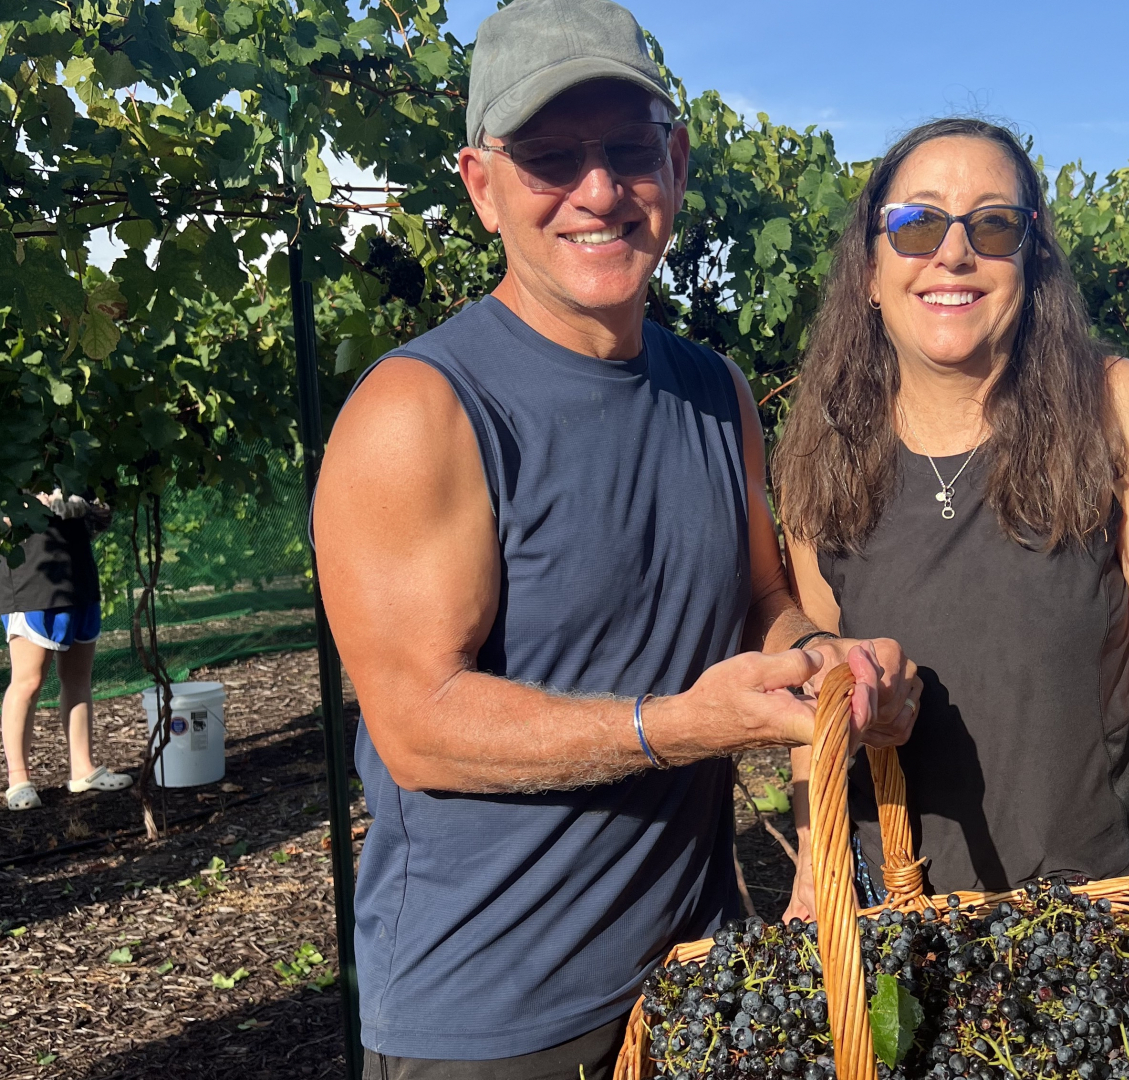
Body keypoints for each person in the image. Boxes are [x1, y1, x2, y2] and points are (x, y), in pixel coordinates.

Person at [311, 2, 918, 1077]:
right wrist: (678, 726)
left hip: (695, 975)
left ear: (674, 164)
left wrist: (815, 656)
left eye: (628, 150)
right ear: (481, 185)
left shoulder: (713, 390)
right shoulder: (421, 411)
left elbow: (754, 599)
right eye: (548, 159)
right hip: (495, 1015)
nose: (597, 191)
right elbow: (418, 725)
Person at [771, 118, 1129, 1016]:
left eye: (994, 226)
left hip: (1101, 905)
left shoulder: (1109, 404)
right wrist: (818, 862)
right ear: (868, 270)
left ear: (1031, 263)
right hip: (897, 921)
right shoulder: (820, 448)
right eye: (918, 225)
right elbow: (817, 691)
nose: (955, 254)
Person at [4, 488, 131, 811]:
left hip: (78, 569)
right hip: (30, 572)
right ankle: (18, 780)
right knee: (28, 680)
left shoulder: (75, 446)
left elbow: (102, 511)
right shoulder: (13, 445)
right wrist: (28, 503)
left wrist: (94, 506)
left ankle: (83, 769)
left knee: (78, 676)